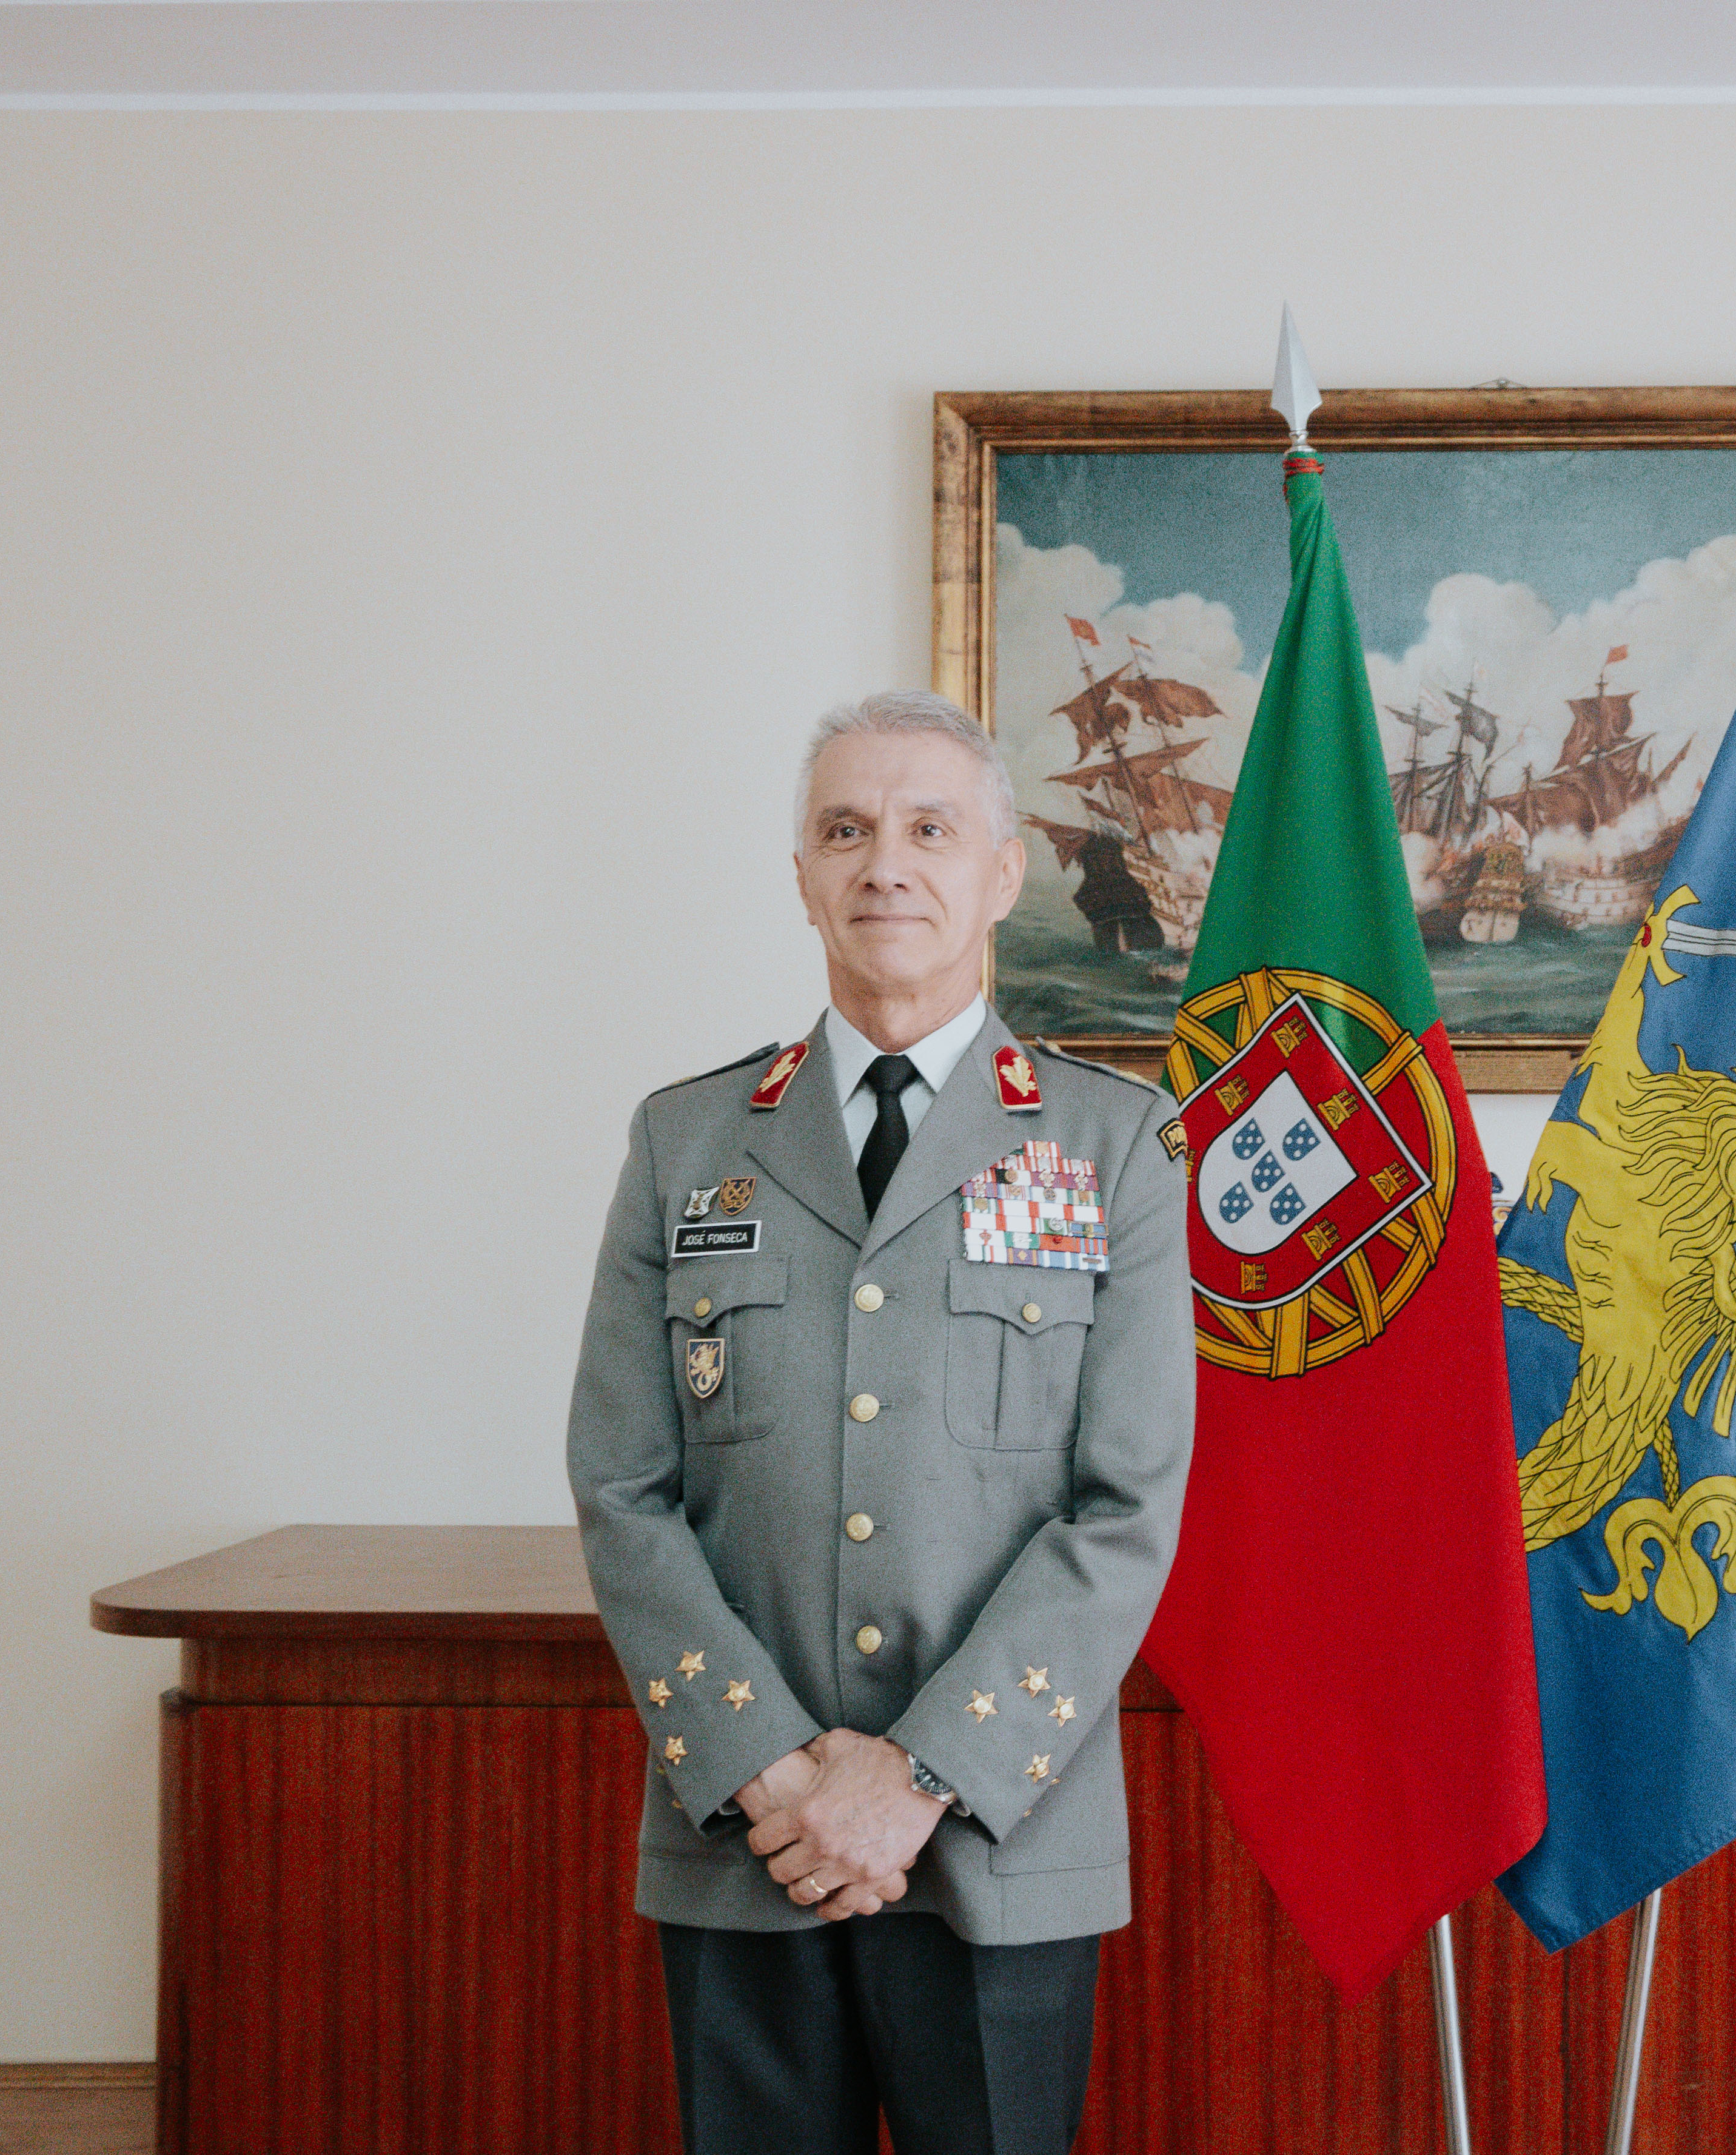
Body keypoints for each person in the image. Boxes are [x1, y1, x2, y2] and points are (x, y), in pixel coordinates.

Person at [566, 690, 1191, 2155]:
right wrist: (772, 1769)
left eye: (929, 828)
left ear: (1003, 870)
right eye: (845, 830)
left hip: (994, 1830)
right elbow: (622, 1483)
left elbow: (1127, 1505)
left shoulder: (1112, 1143)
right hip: (746, 1833)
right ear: (800, 874)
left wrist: (912, 1776)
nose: (885, 865)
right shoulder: (688, 1141)